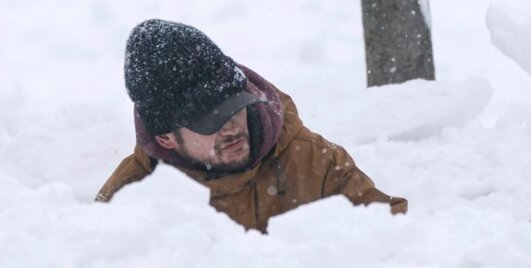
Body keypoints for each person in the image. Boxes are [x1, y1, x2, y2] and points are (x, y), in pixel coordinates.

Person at [96, 19, 407, 232]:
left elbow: (399, 238)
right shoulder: (130, 200)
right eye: (210, 122)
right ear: (166, 139)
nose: (231, 128)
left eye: (235, 108)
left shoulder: (313, 163)